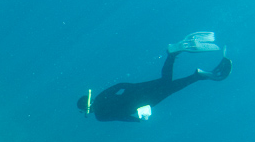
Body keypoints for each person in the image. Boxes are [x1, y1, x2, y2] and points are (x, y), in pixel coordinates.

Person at [77, 32, 232, 122]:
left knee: (169, 87)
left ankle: (190, 69)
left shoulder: (100, 116)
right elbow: (119, 85)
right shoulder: (99, 97)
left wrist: (139, 119)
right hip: (137, 91)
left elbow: (121, 116)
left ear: (86, 109)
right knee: (167, 83)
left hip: (142, 102)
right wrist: (134, 87)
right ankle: (192, 70)